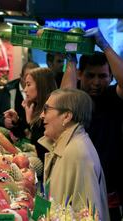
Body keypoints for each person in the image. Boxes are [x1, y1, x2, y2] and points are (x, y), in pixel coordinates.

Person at [61, 27, 123, 221]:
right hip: (75, 188)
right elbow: (64, 98)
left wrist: (105, 46)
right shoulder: (77, 100)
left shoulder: (114, 97)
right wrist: (71, 58)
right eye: (90, 75)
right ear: (80, 74)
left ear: (111, 77)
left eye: (102, 76)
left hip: (110, 192)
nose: (96, 82)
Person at [38, 88, 109, 221]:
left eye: (47, 109)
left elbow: (88, 216)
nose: (42, 115)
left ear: (67, 116)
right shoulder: (69, 146)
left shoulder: (77, 152)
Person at [4, 68, 57, 164]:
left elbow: (39, 144)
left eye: (28, 85)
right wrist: (17, 121)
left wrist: (29, 121)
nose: (24, 90)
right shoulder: (35, 106)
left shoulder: (51, 111)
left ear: (41, 86)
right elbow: (24, 136)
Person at [0, 61, 39, 138]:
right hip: (11, 141)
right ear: (21, 77)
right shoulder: (6, 91)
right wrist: (2, 120)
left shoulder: (42, 95)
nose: (29, 81)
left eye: (34, 78)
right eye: (27, 78)